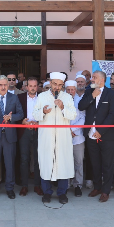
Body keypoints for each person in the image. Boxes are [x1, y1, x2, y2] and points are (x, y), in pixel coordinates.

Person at [32, 73, 77, 204]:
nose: (56, 87)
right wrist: (43, 112)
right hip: (46, 137)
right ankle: (47, 192)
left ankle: (62, 193)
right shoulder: (42, 96)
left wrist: (63, 107)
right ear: (50, 83)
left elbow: (73, 115)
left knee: (63, 164)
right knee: (46, 163)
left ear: (63, 85)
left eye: (59, 85)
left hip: (62, 138)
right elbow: (35, 114)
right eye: (54, 84)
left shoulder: (67, 97)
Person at [78, 71, 114, 202]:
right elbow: (81, 106)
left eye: (94, 78)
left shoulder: (111, 94)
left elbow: (112, 115)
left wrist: (101, 130)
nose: (92, 80)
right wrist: (92, 96)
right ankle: (97, 187)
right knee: (95, 163)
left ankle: (106, 191)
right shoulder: (89, 92)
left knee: (107, 164)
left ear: (102, 80)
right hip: (90, 134)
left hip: (106, 135)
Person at [18, 78, 42, 196]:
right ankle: (24, 186)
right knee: (24, 159)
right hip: (25, 131)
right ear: (26, 87)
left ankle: (37, 185)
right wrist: (22, 121)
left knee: (38, 159)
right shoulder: (20, 98)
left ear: (37, 87)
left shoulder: (42, 98)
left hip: (39, 131)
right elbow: (16, 113)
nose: (32, 88)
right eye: (30, 86)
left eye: (35, 86)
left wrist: (40, 123)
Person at [69, 77, 87, 197]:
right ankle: (65, 184)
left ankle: (78, 185)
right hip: (64, 136)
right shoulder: (61, 101)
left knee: (78, 162)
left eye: (72, 89)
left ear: (75, 90)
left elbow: (83, 117)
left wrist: (72, 129)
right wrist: (67, 130)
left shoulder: (80, 101)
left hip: (78, 136)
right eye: (68, 89)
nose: (70, 92)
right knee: (65, 162)